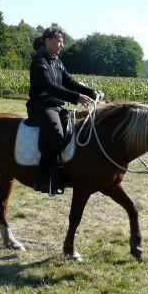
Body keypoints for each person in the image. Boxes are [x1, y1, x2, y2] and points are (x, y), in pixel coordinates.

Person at [26, 26, 104, 195]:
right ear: (48, 41)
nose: (62, 45)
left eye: (62, 42)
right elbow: (50, 87)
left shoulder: (56, 61)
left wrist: (91, 92)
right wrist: (77, 98)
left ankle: (62, 169)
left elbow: (69, 82)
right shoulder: (40, 61)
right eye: (59, 41)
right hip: (41, 107)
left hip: (55, 107)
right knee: (57, 136)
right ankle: (42, 179)